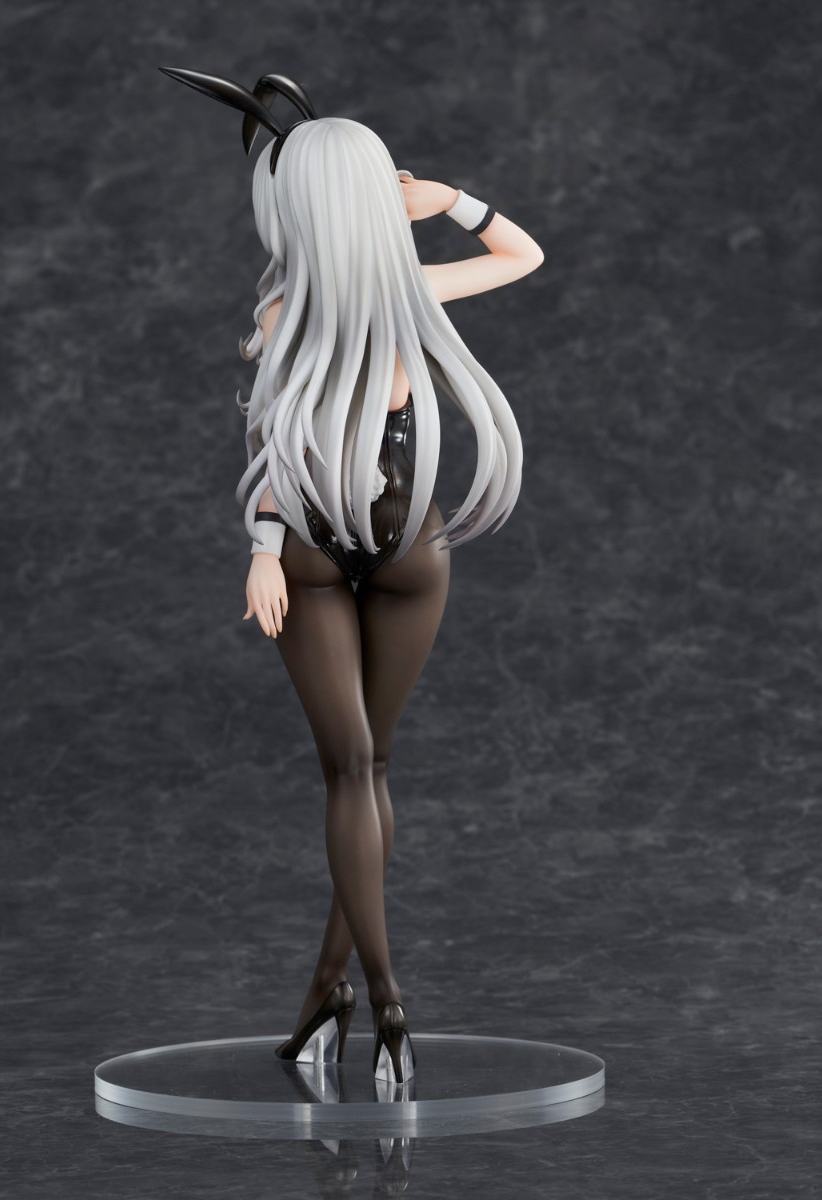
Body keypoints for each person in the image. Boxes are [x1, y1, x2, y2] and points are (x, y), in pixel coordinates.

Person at [161, 69, 544, 1086]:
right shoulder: (316, 308)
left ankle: (335, 992)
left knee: (363, 771)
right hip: (331, 554)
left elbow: (524, 255)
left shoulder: (359, 300)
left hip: (385, 552)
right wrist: (260, 549)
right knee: (359, 769)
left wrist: (450, 197)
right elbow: (273, 451)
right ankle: (385, 998)